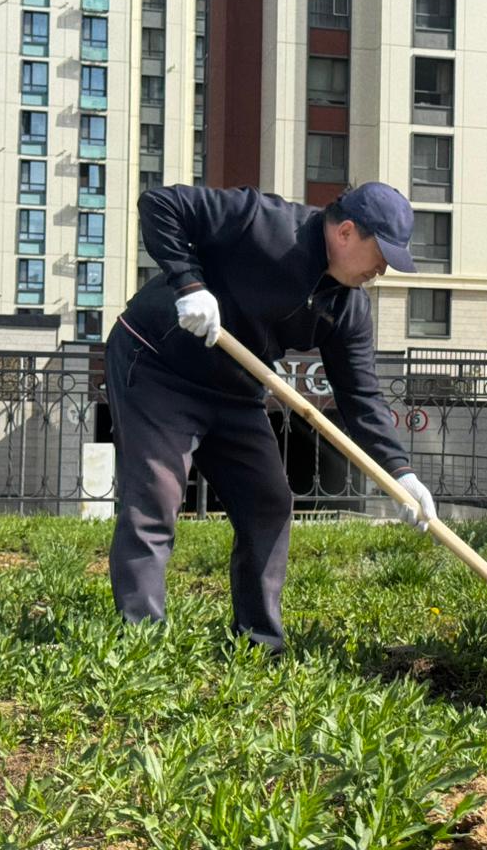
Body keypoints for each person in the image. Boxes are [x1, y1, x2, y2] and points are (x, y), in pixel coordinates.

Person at [106, 182, 438, 652]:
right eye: (380, 254)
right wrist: (189, 284)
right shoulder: (265, 222)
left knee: (269, 502)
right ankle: (141, 642)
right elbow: (160, 203)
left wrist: (399, 473)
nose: (382, 269)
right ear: (345, 232)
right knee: (155, 496)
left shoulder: (347, 307)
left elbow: (361, 397)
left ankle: (259, 640)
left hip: (236, 388)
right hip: (160, 365)